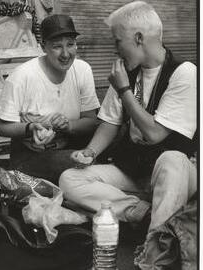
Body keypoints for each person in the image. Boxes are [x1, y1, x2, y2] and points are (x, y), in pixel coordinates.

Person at [59, 1, 197, 231]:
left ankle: (156, 245)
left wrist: (124, 90)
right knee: (70, 179)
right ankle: (141, 213)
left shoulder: (185, 72)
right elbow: (109, 123)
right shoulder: (127, 71)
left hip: (176, 175)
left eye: (117, 40)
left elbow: (154, 134)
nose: (115, 48)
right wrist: (90, 152)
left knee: (171, 160)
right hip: (136, 170)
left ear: (139, 38)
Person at [0, 14, 100, 184]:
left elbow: (91, 121)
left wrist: (69, 125)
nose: (66, 54)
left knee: (118, 133)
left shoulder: (82, 70)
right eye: (57, 46)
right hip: (30, 154)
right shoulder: (22, 76)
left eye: (71, 45)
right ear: (43, 47)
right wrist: (30, 128)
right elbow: (1, 127)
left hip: (69, 143)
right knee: (81, 163)